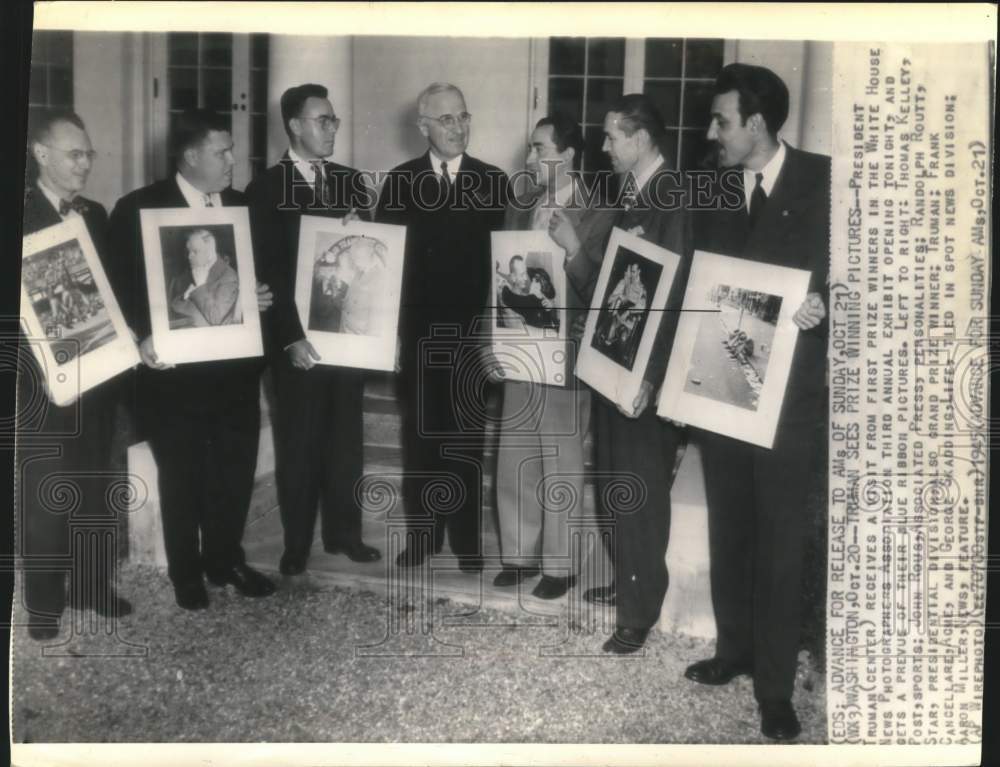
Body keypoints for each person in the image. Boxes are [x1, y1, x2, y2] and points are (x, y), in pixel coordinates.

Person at [681, 63, 830, 742]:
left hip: (791, 403)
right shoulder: (711, 187)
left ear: (757, 125)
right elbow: (695, 285)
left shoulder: (826, 181)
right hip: (721, 388)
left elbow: (859, 278)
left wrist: (828, 306)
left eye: (721, 120)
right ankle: (734, 650)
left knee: (778, 543)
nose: (711, 132)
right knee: (730, 527)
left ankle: (774, 688)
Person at [106, 108, 276, 610]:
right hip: (172, 377)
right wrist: (139, 340)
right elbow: (118, 292)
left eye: (231, 150)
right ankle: (186, 572)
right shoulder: (138, 209)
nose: (232, 160)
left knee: (233, 471)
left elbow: (257, 280)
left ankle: (225, 560)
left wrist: (259, 295)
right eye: (222, 152)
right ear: (191, 156)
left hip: (235, 374)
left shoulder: (243, 208)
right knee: (180, 473)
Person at [567, 95, 693, 655]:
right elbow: (619, 291)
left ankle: (639, 612)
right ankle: (627, 584)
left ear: (641, 139)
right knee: (616, 481)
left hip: (643, 377)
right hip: (613, 364)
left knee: (640, 490)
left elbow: (677, 301)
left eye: (612, 136)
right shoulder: (631, 196)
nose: (604, 146)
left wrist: (652, 378)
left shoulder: (674, 198)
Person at [245, 84, 380, 575]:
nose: (331, 129)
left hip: (347, 335)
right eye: (322, 120)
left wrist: (362, 224)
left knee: (346, 440)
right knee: (299, 443)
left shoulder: (351, 181)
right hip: (296, 341)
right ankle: (296, 544)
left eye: (334, 120)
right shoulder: (264, 189)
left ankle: (346, 535)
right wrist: (289, 337)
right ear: (295, 126)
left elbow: (373, 255)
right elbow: (266, 273)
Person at [376, 82, 508, 571]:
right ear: (423, 127)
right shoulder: (399, 181)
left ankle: (468, 540)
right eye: (446, 119)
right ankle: (423, 536)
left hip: (473, 339)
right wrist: (389, 335)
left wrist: (497, 336)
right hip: (418, 336)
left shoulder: (494, 181)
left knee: (467, 441)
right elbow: (388, 267)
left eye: (463, 117)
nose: (458, 127)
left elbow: (502, 270)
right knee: (422, 439)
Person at [17, 110, 132, 640]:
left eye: (89, 154)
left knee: (95, 486)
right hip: (39, 388)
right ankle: (44, 604)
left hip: (98, 379)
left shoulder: (97, 213)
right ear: (42, 155)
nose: (86, 163)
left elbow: (109, 299)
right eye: (75, 154)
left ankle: (92, 586)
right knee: (46, 495)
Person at [490, 114, 615, 598]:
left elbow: (605, 287)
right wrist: (494, 342)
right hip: (520, 346)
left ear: (568, 156)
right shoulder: (520, 207)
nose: (529, 159)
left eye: (539, 149)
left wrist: (573, 249)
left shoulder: (602, 212)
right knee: (515, 454)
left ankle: (560, 566)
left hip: (568, 354)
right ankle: (519, 556)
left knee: (561, 460)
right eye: (531, 149)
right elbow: (500, 279)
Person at [168, 229, 242, 328]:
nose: (189, 256)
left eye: (195, 251)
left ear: (210, 250)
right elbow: (174, 305)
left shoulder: (228, 276)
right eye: (189, 251)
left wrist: (200, 286)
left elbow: (216, 319)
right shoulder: (195, 271)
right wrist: (185, 296)